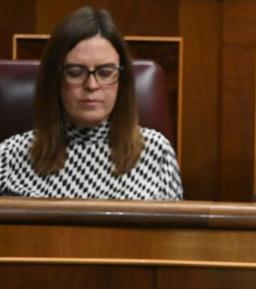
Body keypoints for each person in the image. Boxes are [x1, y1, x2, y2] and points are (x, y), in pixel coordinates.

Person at [0, 7, 182, 200]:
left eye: (105, 72)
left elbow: (175, 230)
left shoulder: (156, 152)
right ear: (54, 78)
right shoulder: (9, 157)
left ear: (122, 79)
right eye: (76, 72)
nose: (92, 85)